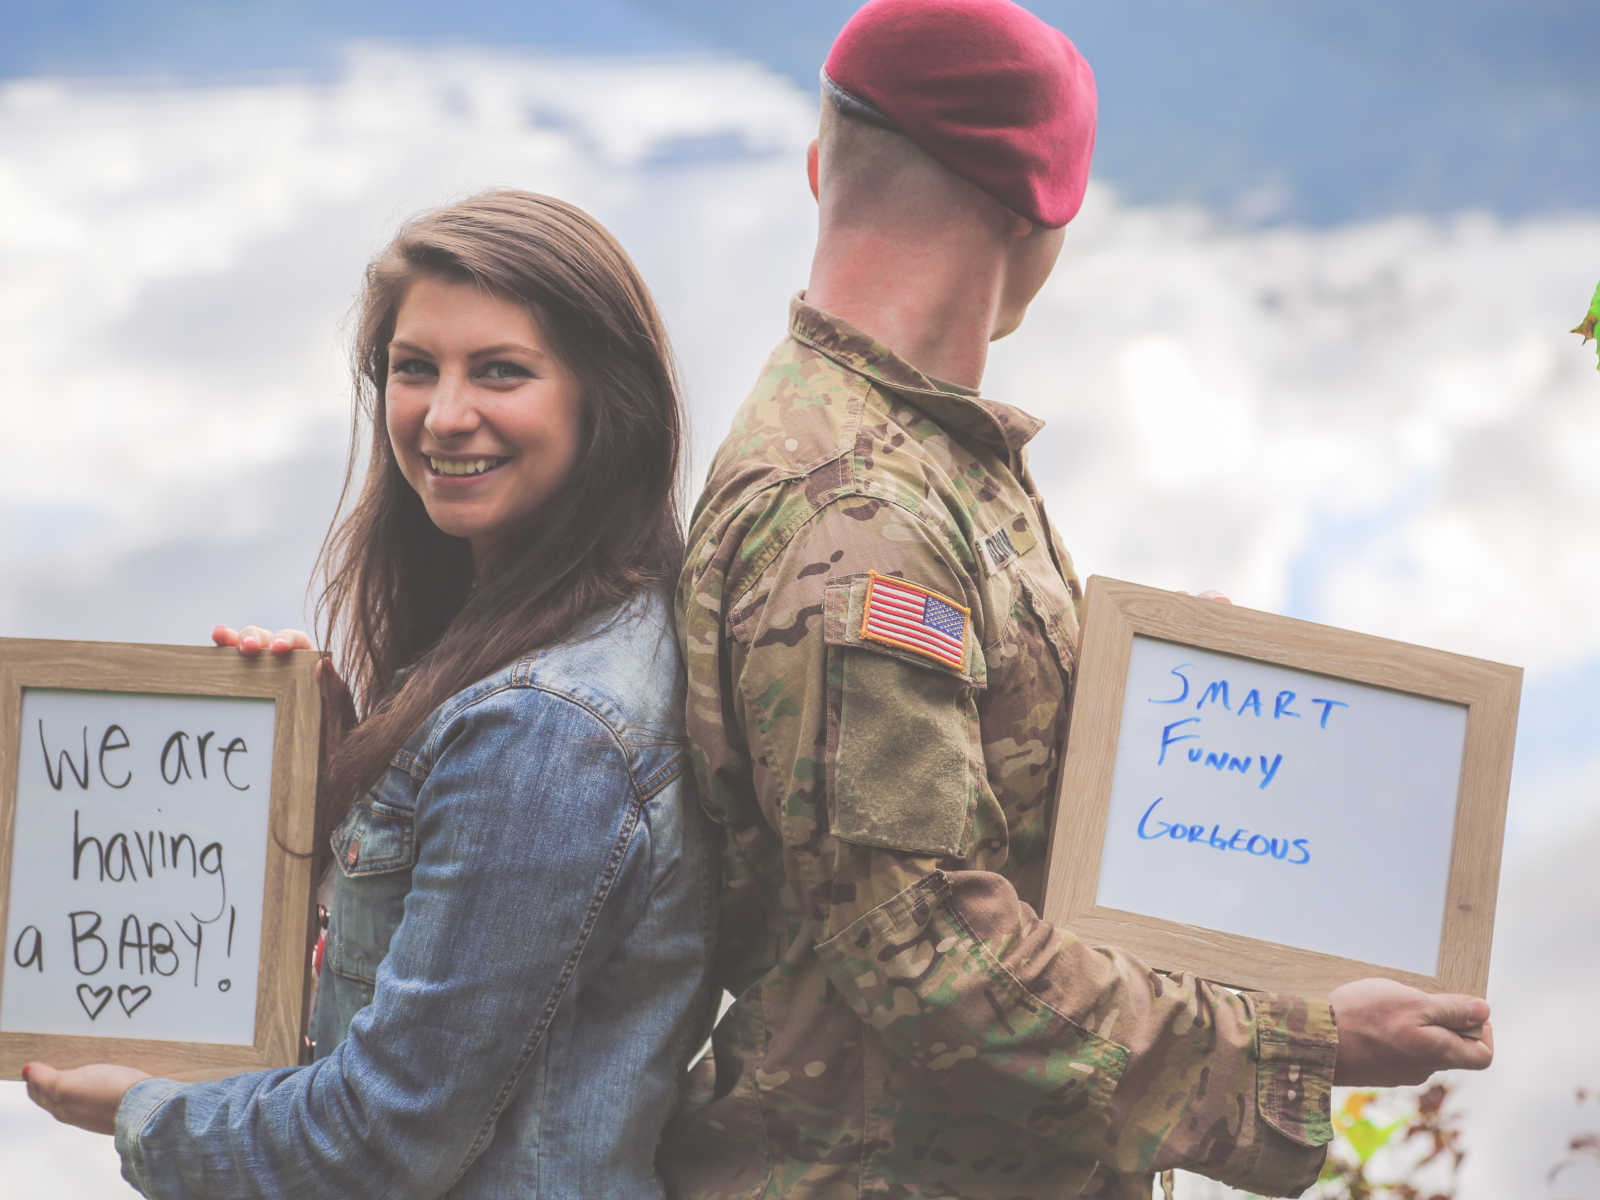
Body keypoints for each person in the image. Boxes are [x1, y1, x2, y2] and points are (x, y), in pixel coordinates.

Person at [664, 2, 1494, 1197]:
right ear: (1041, 211)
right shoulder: (861, 509)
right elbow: (928, 957)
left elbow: (953, 797)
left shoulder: (904, 449)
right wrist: (1301, 1044)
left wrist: (1152, 703)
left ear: (816, 169)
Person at [25, 190, 718, 1198]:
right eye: (412, 369)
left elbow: (381, 1139)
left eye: (501, 372)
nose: (443, 415)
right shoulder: (551, 646)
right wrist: (333, 777)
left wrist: (139, 1109)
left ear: (602, 398)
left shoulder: (542, 726)